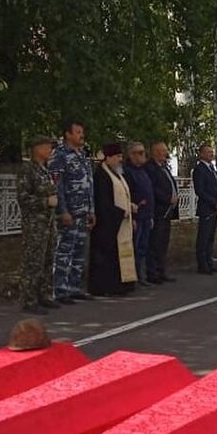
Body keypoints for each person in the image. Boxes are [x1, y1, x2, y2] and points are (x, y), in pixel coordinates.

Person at [48, 119, 95, 304]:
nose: (81, 135)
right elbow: (57, 186)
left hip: (83, 212)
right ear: (68, 134)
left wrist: (92, 210)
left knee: (79, 252)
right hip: (69, 212)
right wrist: (63, 211)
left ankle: (75, 287)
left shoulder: (82, 155)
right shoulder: (59, 155)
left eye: (82, 132)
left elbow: (88, 185)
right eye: (78, 132)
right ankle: (60, 289)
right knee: (64, 251)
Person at [15, 135, 60, 314]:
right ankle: (29, 299)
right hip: (35, 225)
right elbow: (23, 199)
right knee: (33, 262)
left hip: (48, 223)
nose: (50, 150)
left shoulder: (45, 170)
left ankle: (45, 295)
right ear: (37, 148)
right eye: (47, 147)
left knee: (48, 260)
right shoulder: (28, 170)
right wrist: (45, 201)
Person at [89, 142, 137, 296]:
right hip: (107, 224)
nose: (120, 160)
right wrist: (121, 212)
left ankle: (122, 284)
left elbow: (122, 195)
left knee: (120, 255)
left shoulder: (118, 175)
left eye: (121, 156)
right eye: (117, 157)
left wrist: (129, 206)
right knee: (107, 257)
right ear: (108, 158)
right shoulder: (101, 176)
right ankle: (106, 287)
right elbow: (103, 202)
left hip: (120, 221)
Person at [144, 141, 179, 283]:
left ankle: (161, 270)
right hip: (158, 210)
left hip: (167, 212)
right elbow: (152, 188)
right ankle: (152, 273)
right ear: (156, 152)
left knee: (163, 242)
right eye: (163, 151)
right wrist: (167, 198)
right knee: (155, 243)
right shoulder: (150, 168)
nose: (166, 153)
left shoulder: (164, 167)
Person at [123, 141, 155, 286]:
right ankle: (134, 277)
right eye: (140, 153)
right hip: (136, 216)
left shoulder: (143, 171)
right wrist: (133, 217)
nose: (144, 156)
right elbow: (128, 195)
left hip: (146, 215)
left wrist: (151, 215)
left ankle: (141, 276)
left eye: (144, 152)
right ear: (131, 155)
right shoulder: (127, 172)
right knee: (135, 247)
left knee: (143, 247)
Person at [192, 144, 217, 274]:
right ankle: (202, 264)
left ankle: (209, 261)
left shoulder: (212, 169)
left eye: (212, 152)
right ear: (201, 154)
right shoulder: (199, 169)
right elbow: (200, 190)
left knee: (211, 236)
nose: (211, 154)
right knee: (204, 236)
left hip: (215, 207)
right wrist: (213, 202)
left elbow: (215, 188)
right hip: (206, 208)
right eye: (208, 152)